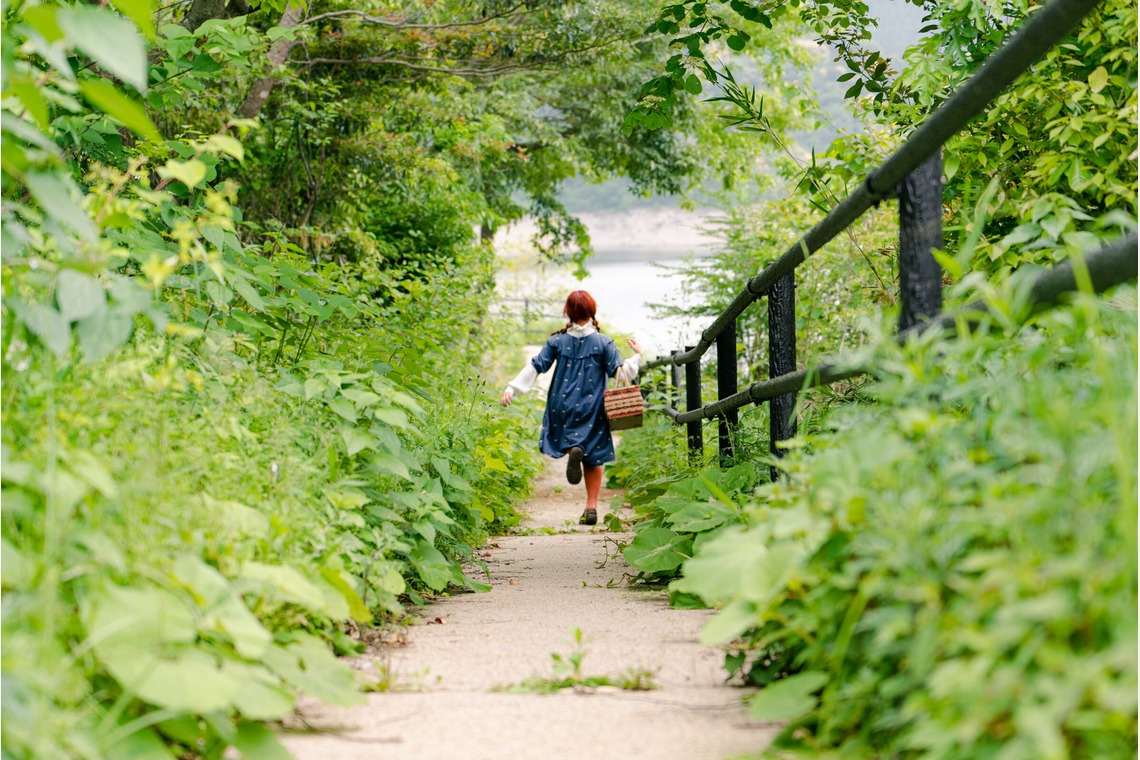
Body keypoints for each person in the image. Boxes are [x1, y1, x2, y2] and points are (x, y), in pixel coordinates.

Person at [500, 290, 642, 525]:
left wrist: (512, 388)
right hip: (593, 406)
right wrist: (637, 356)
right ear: (592, 311)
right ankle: (591, 506)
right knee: (593, 455)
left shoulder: (557, 341)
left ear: (568, 311)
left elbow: (536, 366)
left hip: (562, 403)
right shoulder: (603, 342)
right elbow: (621, 373)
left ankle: (572, 451)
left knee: (565, 439)